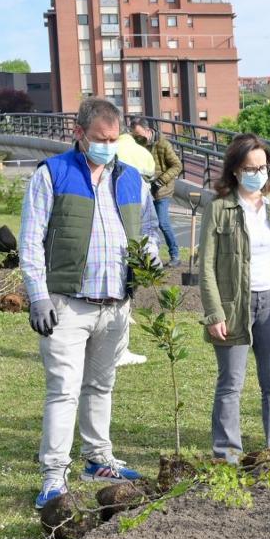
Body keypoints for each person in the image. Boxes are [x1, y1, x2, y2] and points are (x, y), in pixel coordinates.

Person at [20, 97, 162, 508]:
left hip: (116, 304)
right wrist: (37, 295)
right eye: (100, 138)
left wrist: (149, 249)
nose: (107, 146)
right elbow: (31, 239)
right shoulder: (53, 175)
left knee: (102, 384)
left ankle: (98, 457)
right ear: (78, 134)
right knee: (64, 389)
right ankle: (53, 474)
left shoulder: (132, 178)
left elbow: (150, 227)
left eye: (114, 139)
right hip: (67, 304)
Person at [199, 134, 270, 461]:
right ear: (234, 170)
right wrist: (214, 313)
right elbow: (206, 264)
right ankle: (227, 455)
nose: (257, 173)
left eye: (262, 167)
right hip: (235, 307)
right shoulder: (219, 208)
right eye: (250, 167)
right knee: (230, 384)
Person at [114, 124, 158, 369]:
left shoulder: (114, 149)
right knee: (128, 280)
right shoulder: (144, 155)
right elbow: (150, 178)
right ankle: (120, 350)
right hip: (137, 211)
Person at [132, 119, 184, 266]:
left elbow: (177, 166)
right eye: (135, 136)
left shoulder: (163, 144)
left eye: (140, 135)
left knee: (162, 222)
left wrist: (160, 181)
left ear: (148, 131)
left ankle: (175, 255)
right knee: (144, 224)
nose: (137, 139)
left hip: (162, 190)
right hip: (145, 189)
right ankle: (146, 255)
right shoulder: (137, 145)